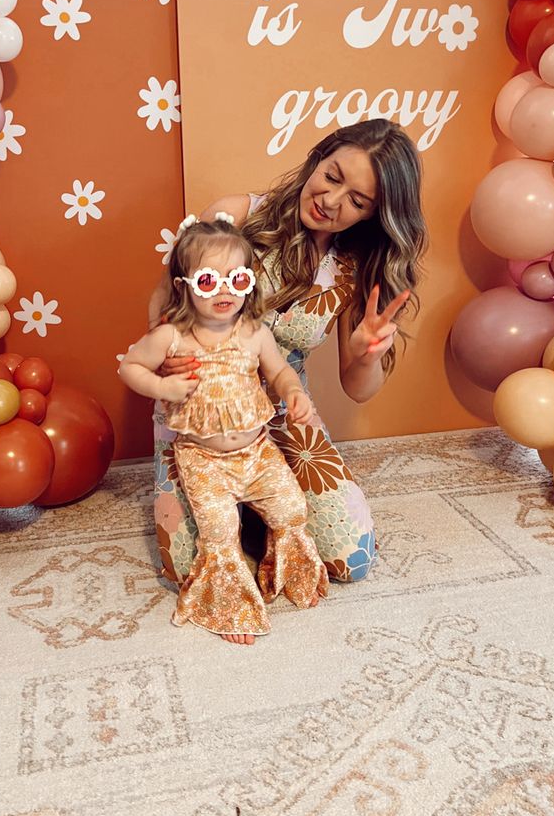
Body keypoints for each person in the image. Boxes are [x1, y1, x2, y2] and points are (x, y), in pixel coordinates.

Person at [150, 119, 428, 587]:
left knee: (352, 559)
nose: (331, 201)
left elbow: (358, 389)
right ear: (318, 158)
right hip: (199, 414)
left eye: (358, 201)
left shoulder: (353, 269)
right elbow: (164, 301)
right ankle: (247, 510)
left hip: (279, 415)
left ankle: (258, 504)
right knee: (193, 573)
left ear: (373, 215)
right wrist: (168, 355)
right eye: (332, 177)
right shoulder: (234, 217)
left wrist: (365, 355)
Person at [119, 214, 329, 645]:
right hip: (202, 459)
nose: (226, 291)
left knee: (291, 509)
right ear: (183, 286)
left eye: (237, 278)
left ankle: (285, 570)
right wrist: (161, 385)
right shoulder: (172, 337)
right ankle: (228, 601)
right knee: (218, 529)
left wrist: (294, 394)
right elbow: (129, 366)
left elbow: (280, 372)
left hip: (257, 452)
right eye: (210, 281)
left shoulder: (254, 332)